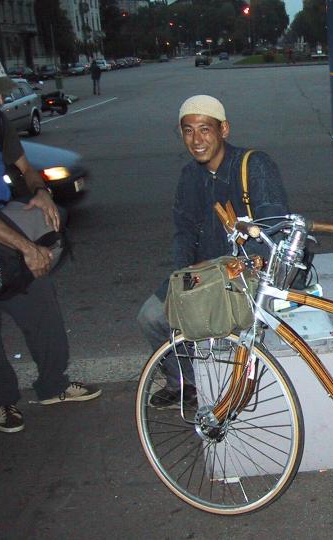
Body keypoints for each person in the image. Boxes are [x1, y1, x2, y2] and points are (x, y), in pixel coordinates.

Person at [0, 51, 100, 433]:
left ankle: (53, 384)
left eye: (1, 92)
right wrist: (27, 247)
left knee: (40, 304)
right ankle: (3, 401)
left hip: (2, 226)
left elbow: (25, 169)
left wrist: (40, 192)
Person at [137, 95, 289, 408]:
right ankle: (185, 384)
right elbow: (184, 232)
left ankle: (223, 398)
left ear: (224, 130)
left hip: (247, 273)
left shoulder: (253, 165)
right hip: (203, 272)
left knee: (218, 331)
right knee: (152, 316)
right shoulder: (189, 176)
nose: (197, 139)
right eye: (188, 131)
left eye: (205, 129)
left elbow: (272, 229)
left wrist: (225, 278)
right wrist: (180, 281)